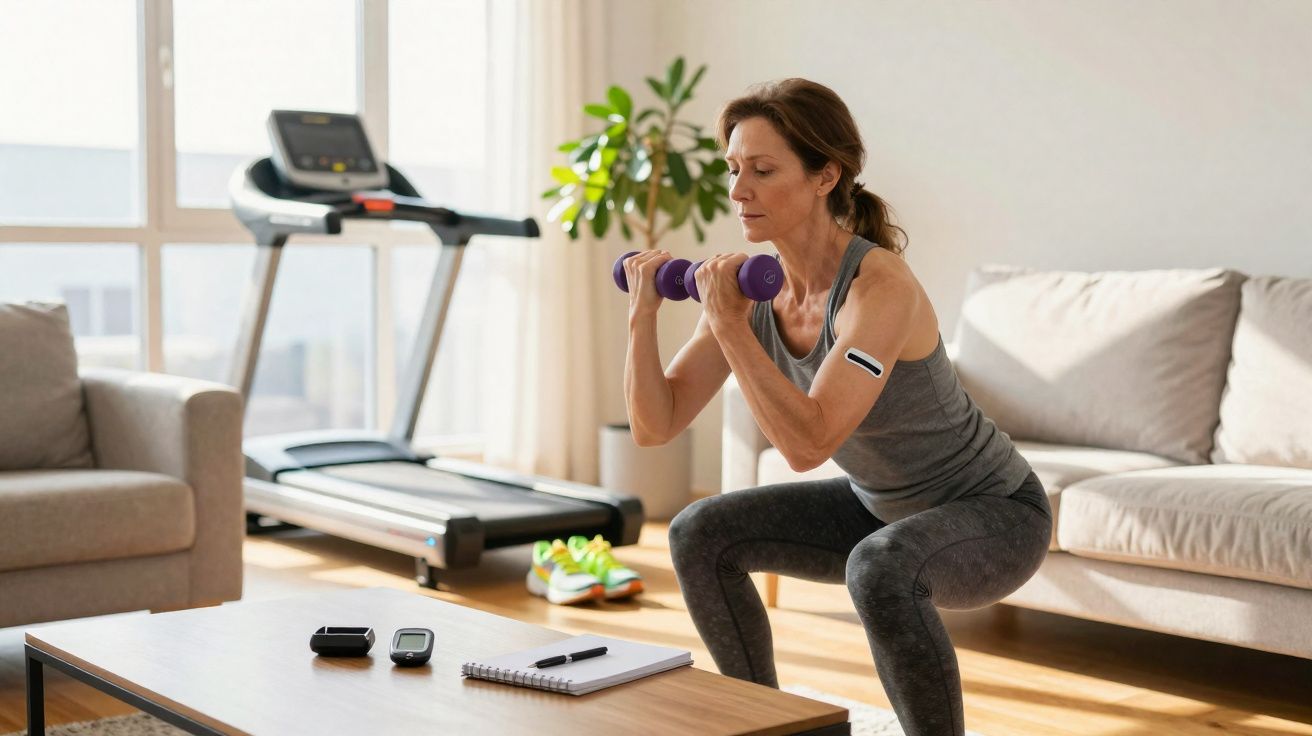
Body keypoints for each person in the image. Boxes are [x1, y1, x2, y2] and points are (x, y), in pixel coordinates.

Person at [622, 78, 1052, 736]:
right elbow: (655, 425)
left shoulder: (879, 287)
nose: (738, 191)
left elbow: (807, 444)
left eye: (763, 170)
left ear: (825, 176)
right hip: (878, 506)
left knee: (880, 567)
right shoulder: (750, 294)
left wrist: (731, 327)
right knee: (698, 532)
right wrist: (642, 316)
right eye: (734, 169)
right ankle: (766, 726)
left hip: (995, 513)